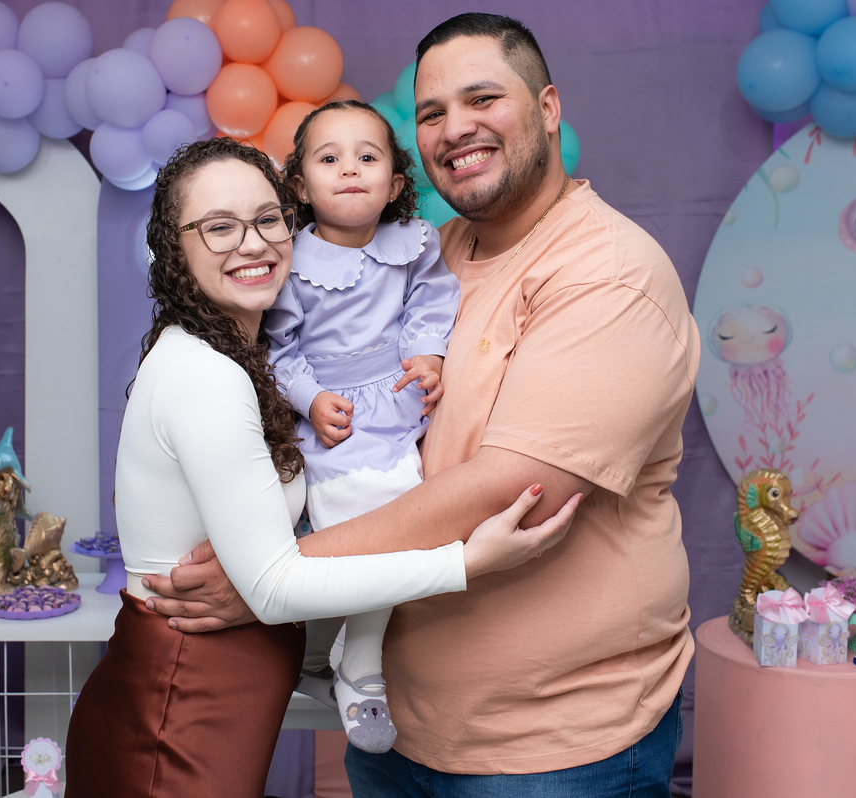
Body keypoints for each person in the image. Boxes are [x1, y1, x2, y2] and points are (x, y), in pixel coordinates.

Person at [147, 12, 701, 797]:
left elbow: (513, 488)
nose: (455, 128)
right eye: (432, 112)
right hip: (396, 728)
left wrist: (272, 579)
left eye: (483, 99)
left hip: (549, 749)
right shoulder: (428, 257)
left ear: (548, 109)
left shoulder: (608, 275)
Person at [64, 137, 581, 798]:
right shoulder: (204, 374)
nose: (252, 244)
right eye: (219, 227)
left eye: (267, 219)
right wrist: (466, 562)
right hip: (177, 713)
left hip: (212, 705)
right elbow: (273, 589)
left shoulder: (239, 355)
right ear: (173, 247)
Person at [266, 99, 460, 754]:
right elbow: (277, 351)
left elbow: (431, 302)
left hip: (396, 403)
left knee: (405, 523)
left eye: (367, 157)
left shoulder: (414, 244)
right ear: (300, 186)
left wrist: (428, 355)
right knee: (351, 528)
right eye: (330, 159)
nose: (350, 169)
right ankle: (346, 662)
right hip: (334, 418)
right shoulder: (290, 261)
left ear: (395, 183)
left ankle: (351, 662)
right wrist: (310, 399)